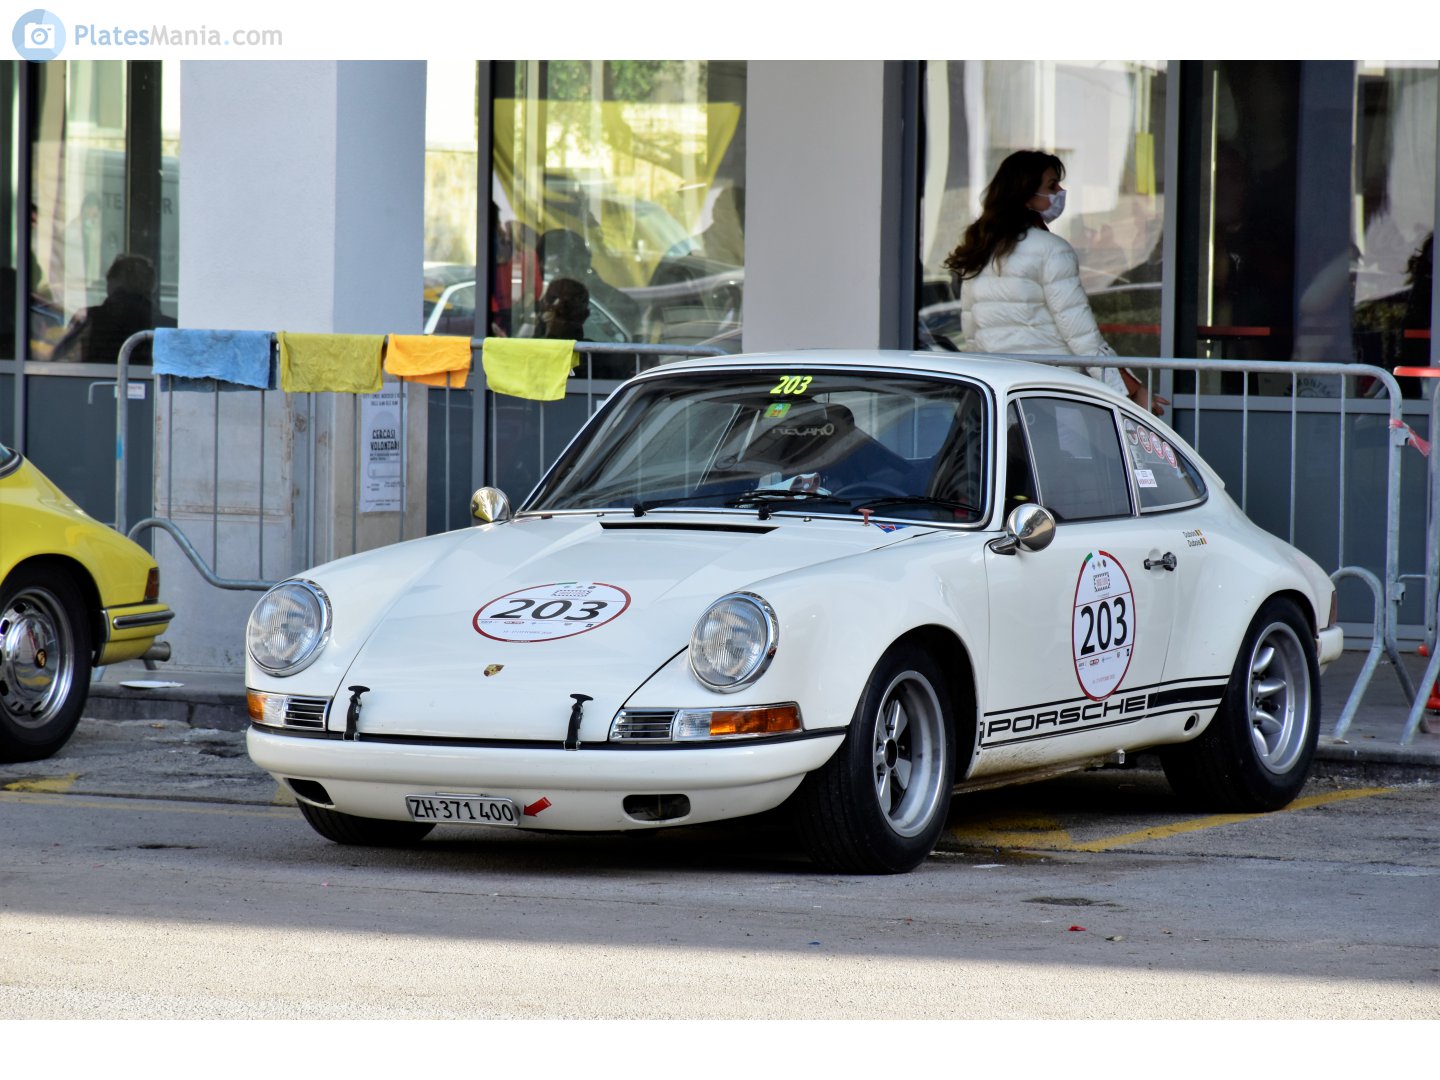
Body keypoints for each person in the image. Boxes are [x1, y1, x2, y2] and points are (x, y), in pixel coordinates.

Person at [947, 150, 1167, 416]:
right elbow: (1081, 335)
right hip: (1051, 390)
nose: (1060, 191)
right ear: (1026, 193)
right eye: (1052, 185)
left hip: (1000, 394)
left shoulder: (980, 250)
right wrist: (1131, 389)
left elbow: (972, 334)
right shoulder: (1052, 249)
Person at [50, 253, 163, 364]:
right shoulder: (166, 327)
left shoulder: (89, 319)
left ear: (111, 285)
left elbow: (60, 361)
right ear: (151, 287)